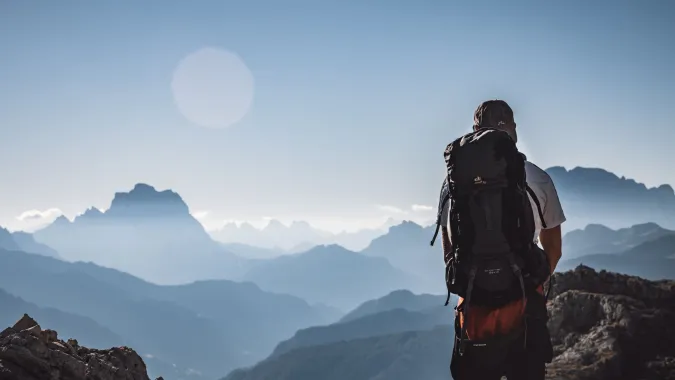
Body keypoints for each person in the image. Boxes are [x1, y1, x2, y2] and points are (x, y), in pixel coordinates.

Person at [438, 99, 566, 379]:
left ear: (474, 131)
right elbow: (553, 250)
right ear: (513, 129)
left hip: (475, 306)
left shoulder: (453, 183)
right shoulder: (538, 179)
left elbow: (449, 245)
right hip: (523, 306)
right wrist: (527, 280)